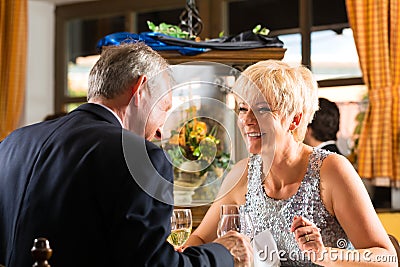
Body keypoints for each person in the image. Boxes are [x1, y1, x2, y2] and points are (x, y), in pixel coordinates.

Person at [0, 42, 252, 267]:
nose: (161, 131)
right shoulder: (140, 157)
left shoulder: (12, 143)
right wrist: (223, 253)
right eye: (165, 108)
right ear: (140, 89)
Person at [184, 60, 396, 266]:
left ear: (294, 119)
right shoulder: (242, 173)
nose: (247, 119)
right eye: (242, 108)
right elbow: (200, 239)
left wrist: (324, 255)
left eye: (262, 109)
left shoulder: (332, 170)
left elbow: (386, 258)